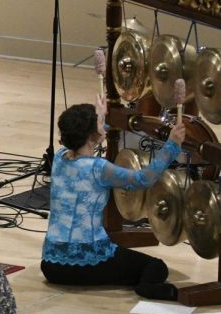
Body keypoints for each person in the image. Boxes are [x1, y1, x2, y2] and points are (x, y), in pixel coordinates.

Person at [41, 102, 186, 300]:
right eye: (100, 125)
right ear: (93, 135)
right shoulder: (99, 168)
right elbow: (144, 179)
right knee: (155, 267)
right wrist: (172, 145)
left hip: (51, 266)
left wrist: (101, 118)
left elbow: (90, 138)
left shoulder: (58, 158)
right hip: (88, 263)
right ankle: (147, 289)